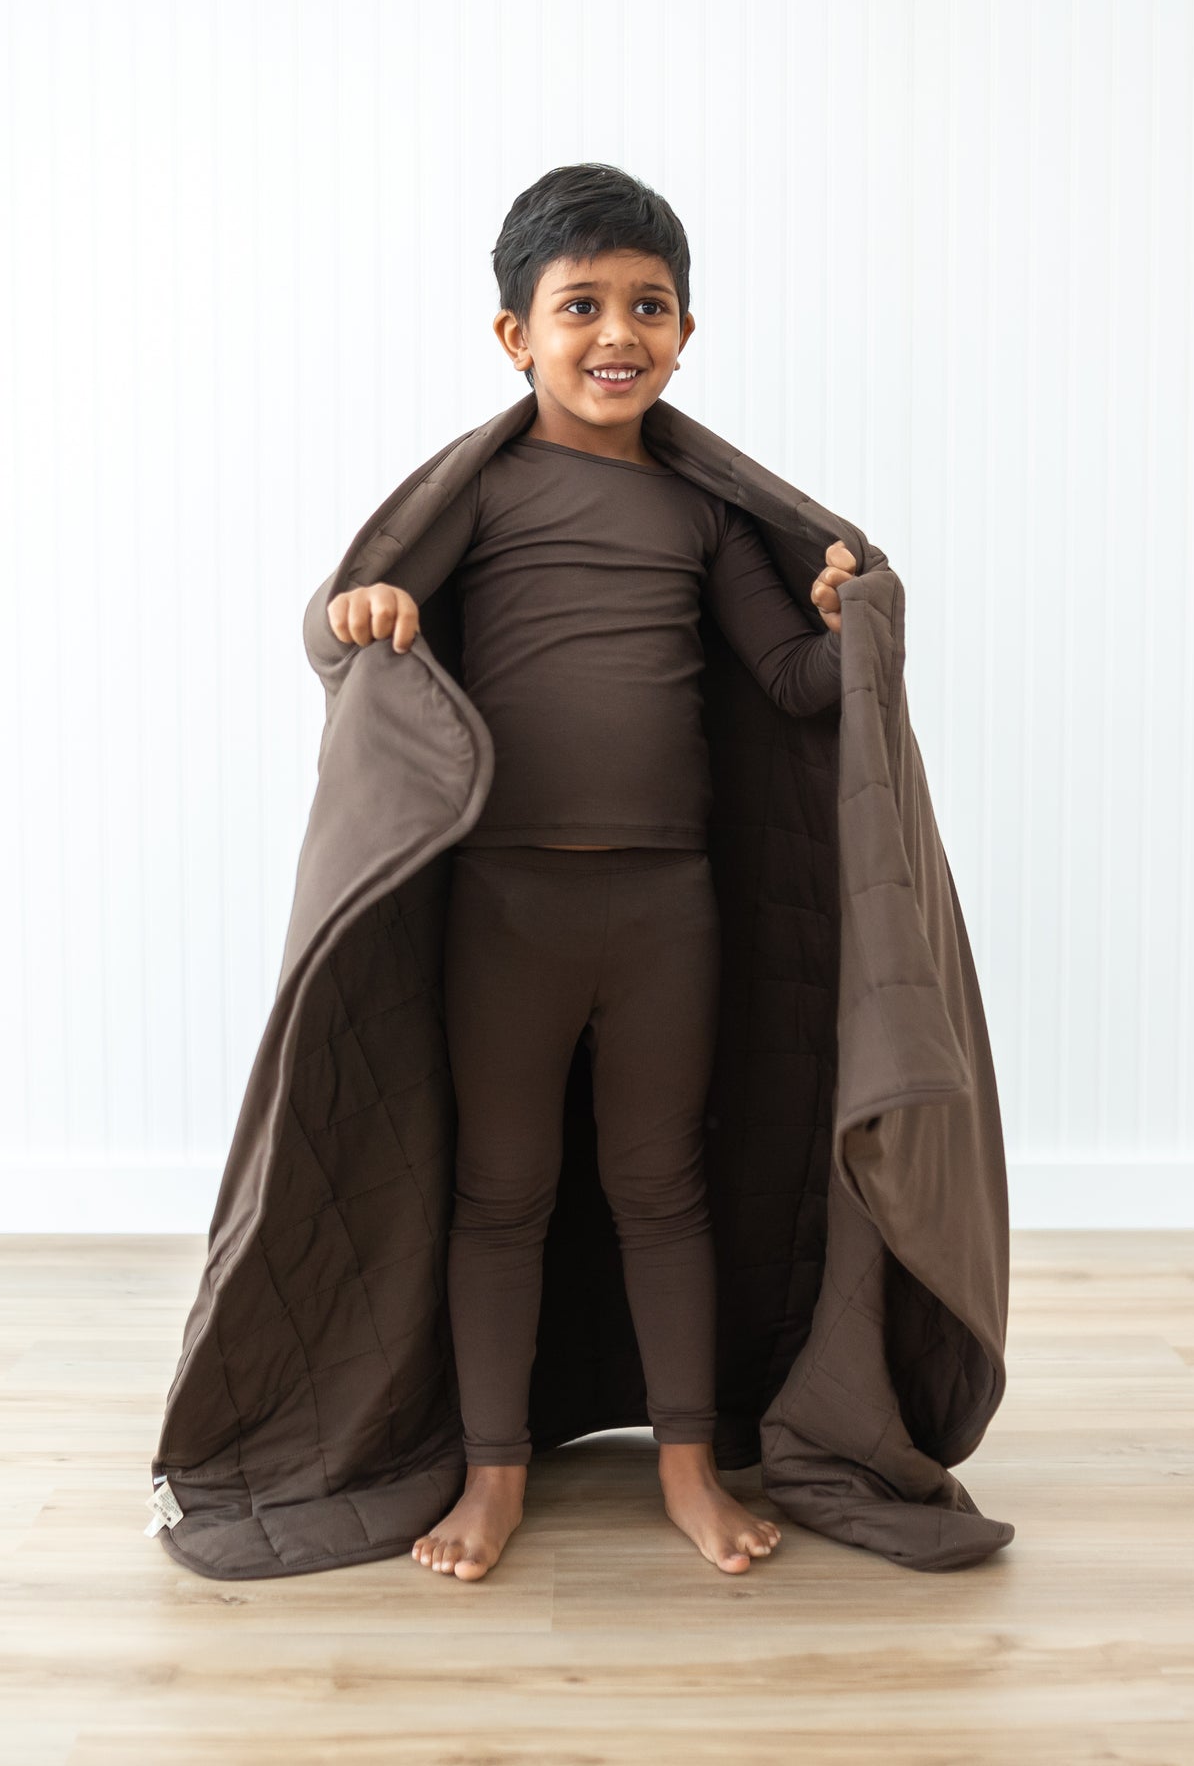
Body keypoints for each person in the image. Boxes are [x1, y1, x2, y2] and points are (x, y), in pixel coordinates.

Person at [323, 164, 857, 1582]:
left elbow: (799, 687)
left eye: (649, 305)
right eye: (582, 306)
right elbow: (350, 618)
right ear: (517, 337)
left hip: (667, 908)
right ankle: (491, 1473)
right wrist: (366, 610)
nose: (617, 332)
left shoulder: (700, 515)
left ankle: (688, 1464)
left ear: (685, 333)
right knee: (501, 1191)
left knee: (660, 1185)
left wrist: (843, 614)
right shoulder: (485, 494)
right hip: (507, 905)